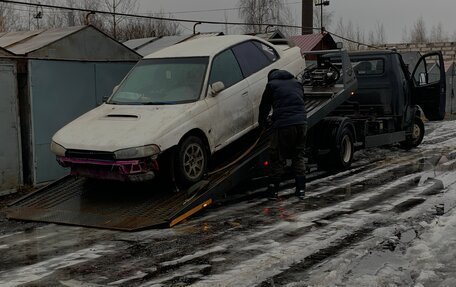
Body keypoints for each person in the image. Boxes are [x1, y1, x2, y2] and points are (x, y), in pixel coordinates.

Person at [258, 69, 307, 199]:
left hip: (284, 125)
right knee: (298, 155)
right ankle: (301, 190)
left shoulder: (271, 85)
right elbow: (302, 99)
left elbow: (264, 106)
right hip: (301, 123)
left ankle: (273, 191)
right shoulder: (297, 83)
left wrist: (262, 123)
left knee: (278, 157)